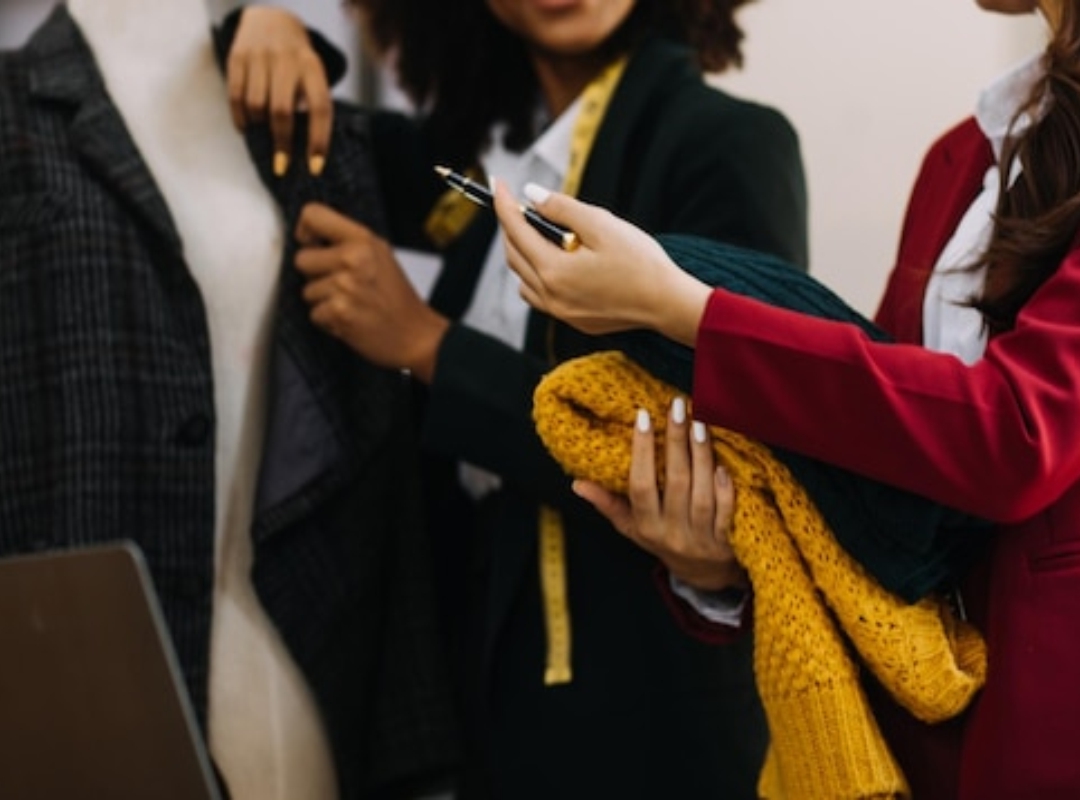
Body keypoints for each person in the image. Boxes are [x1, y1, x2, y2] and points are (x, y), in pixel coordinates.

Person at [493, 0, 1080, 797]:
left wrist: (686, 311)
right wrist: (718, 566)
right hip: (919, 729)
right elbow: (878, 474)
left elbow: (1015, 436)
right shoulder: (963, 153)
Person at [224, 1, 808, 797]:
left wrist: (428, 345)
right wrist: (266, 25)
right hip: (487, 710)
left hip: (652, 716)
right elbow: (313, 131)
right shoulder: (484, 159)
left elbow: (713, 453)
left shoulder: (724, 142)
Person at [0, 2, 456, 799]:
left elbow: (506, 177)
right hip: (83, 671)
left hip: (309, 658)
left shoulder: (300, 117)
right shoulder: (15, 115)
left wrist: (271, 22)